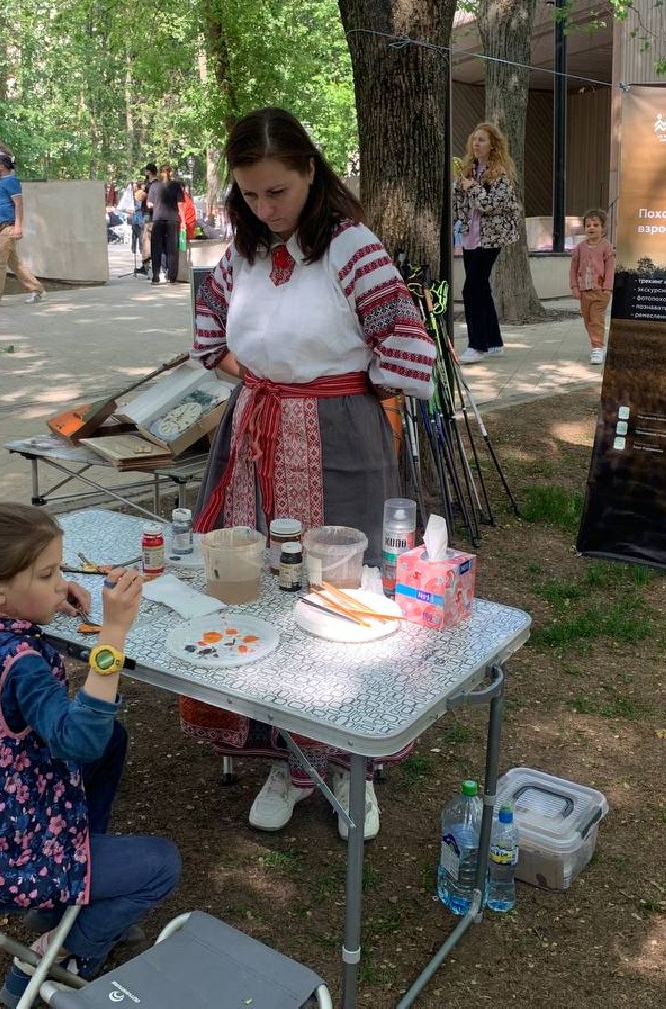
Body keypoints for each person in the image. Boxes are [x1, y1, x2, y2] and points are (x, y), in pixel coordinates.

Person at [185, 106, 437, 840]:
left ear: (310, 173)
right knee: (259, 584)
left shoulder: (352, 247)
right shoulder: (242, 252)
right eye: (250, 194)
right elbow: (208, 330)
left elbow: (405, 342)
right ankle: (284, 754)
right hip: (255, 434)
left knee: (340, 590)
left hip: (338, 436)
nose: (265, 208)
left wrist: (344, 391)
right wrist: (259, 382)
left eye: (278, 192)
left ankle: (349, 761)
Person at [0, 502, 179, 1004]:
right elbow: (79, 739)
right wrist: (113, 633)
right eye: (48, 574)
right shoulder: (18, 660)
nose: (60, 582)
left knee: (113, 741)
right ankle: (52, 958)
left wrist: (43, 596)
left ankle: (61, 901)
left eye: (59, 571)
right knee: (161, 865)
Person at [451, 122, 520, 364]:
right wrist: (460, 187)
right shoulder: (469, 170)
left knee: (471, 289)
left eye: (481, 140)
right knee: (481, 287)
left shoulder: (500, 175)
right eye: (474, 139)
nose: (476, 144)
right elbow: (461, 204)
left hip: (491, 239)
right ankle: (493, 342)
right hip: (470, 237)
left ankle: (476, 345)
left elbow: (489, 205)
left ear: (493, 145)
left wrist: (472, 188)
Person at [0, 155, 45, 308]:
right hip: (0, 227)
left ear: (2, 166)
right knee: (14, 263)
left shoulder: (11, 181)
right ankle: (37, 289)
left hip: (8, 228)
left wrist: (18, 227)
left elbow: (19, 204)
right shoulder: (1, 183)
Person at [569, 208, 614, 365]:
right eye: (588, 225)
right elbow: (573, 269)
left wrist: (607, 288)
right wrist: (574, 287)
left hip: (601, 291)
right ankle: (599, 345)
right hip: (584, 292)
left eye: (595, 225)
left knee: (596, 320)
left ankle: (597, 348)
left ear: (603, 228)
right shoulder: (579, 248)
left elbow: (610, 268)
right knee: (588, 321)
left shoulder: (606, 246)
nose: (591, 228)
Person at [147, 163, 184, 284]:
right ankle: (172, 277)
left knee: (156, 248)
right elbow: (180, 205)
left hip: (158, 218)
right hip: (173, 219)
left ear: (159, 173)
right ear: (170, 173)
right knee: (172, 248)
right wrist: (183, 221)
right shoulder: (176, 185)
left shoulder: (154, 186)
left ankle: (155, 277)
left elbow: (150, 204)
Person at [132, 164, 155, 275]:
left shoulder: (150, 185)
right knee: (147, 240)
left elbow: (140, 197)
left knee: (146, 240)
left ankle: (146, 266)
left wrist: (139, 191)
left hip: (148, 215)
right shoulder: (156, 184)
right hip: (152, 214)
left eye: (146, 171)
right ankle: (146, 265)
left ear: (149, 172)